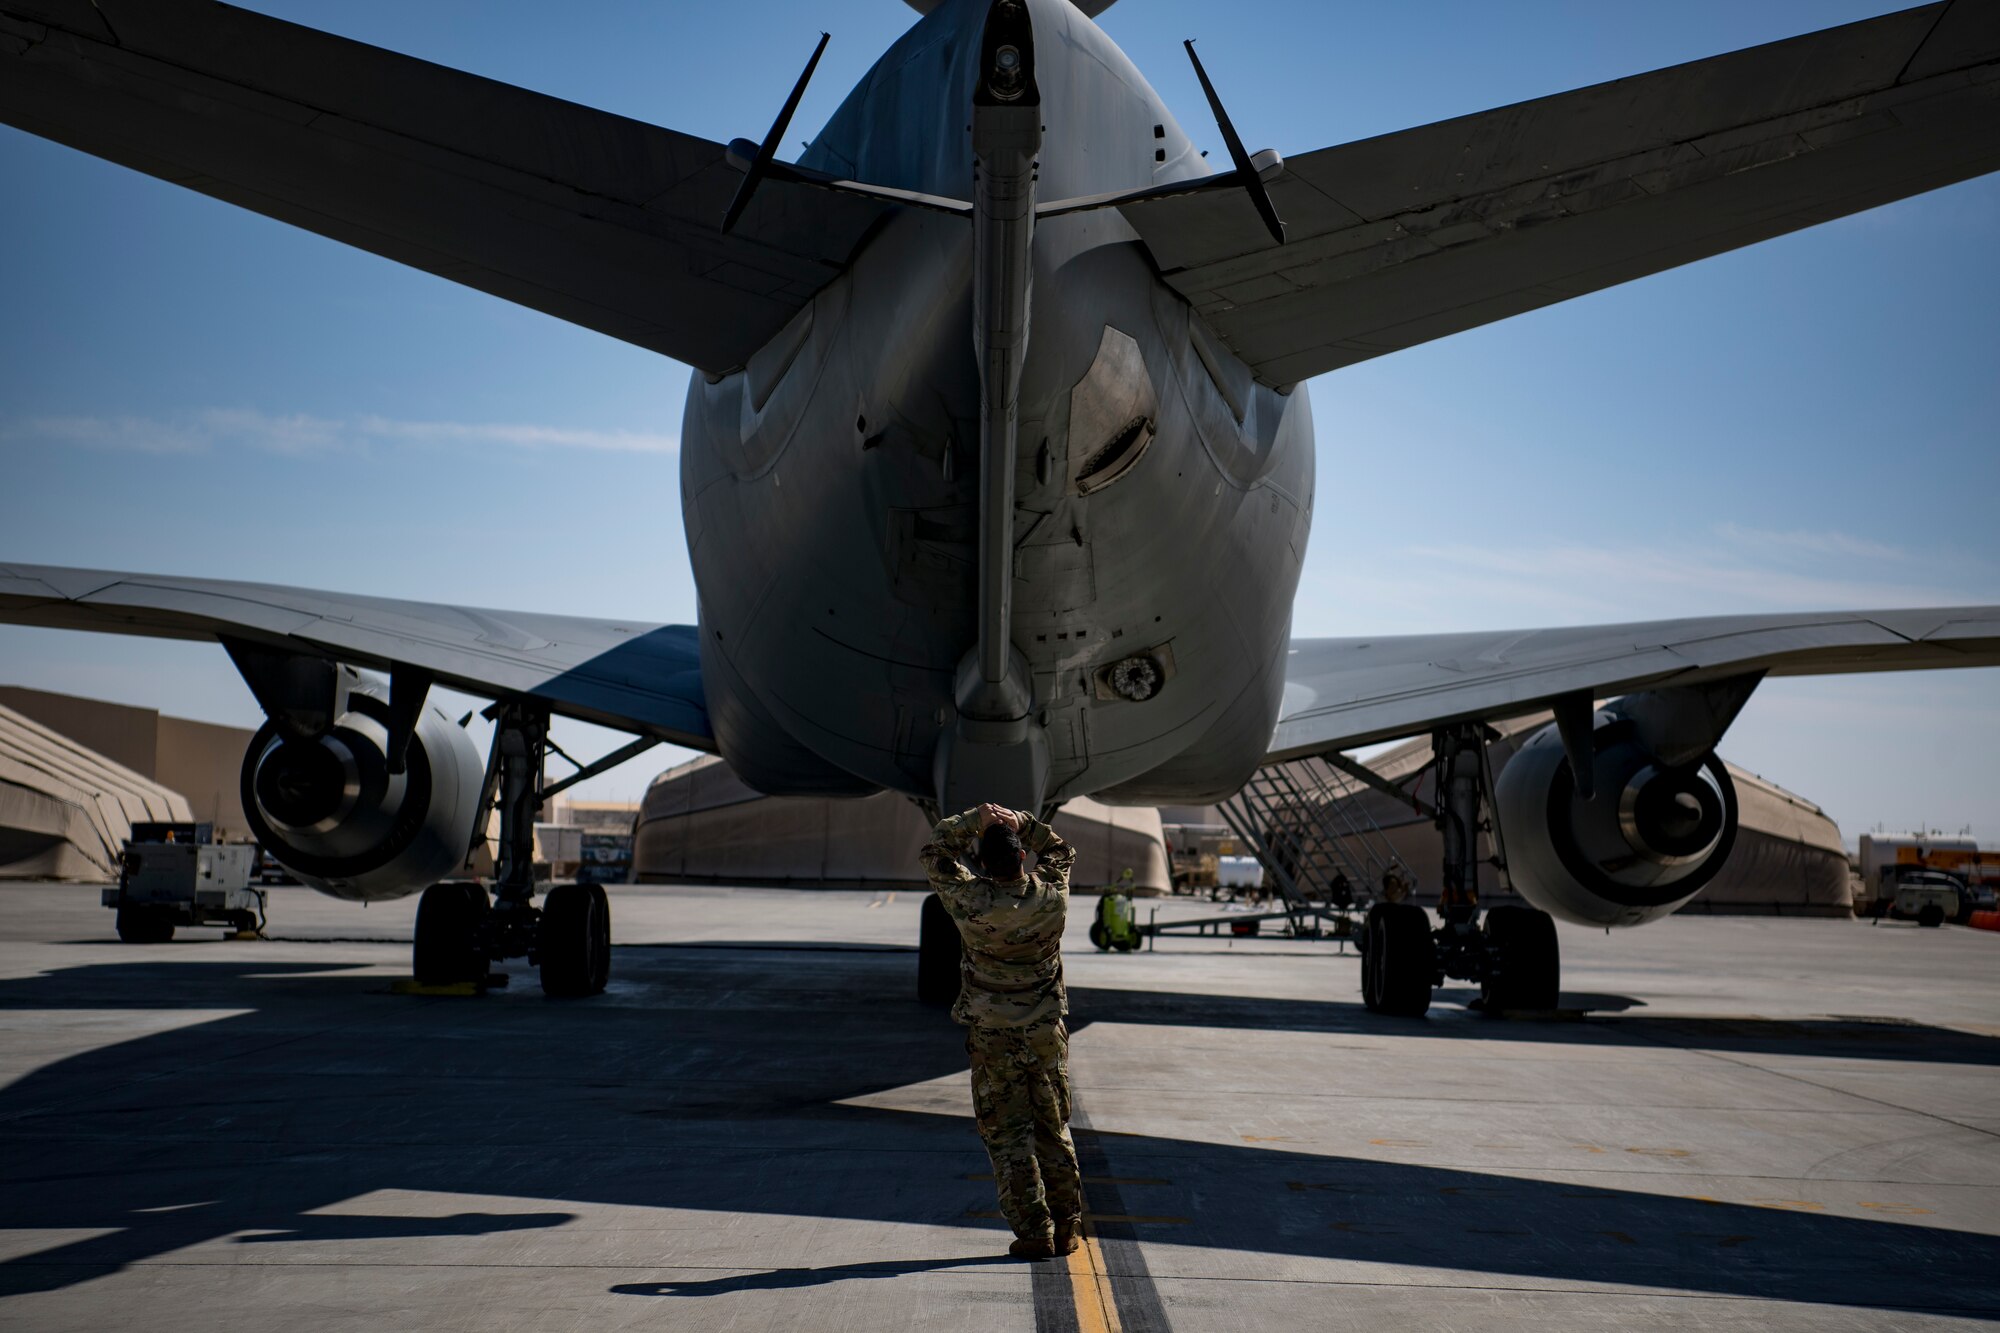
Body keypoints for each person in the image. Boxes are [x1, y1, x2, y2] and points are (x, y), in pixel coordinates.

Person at [919, 801, 1082, 1260]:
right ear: (1023, 858)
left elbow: (934, 855)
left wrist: (973, 821)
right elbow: (1062, 851)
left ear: (983, 864)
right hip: (1045, 1032)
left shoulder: (970, 901)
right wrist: (1023, 824)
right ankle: (1068, 1226)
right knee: (1053, 1128)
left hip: (992, 1035)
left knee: (1008, 1136)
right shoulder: (1051, 895)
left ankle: (1034, 1231)